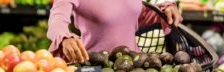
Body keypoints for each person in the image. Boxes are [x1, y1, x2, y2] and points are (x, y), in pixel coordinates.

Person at [47, 0, 183, 63]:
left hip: (135, 65)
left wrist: (165, 10)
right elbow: (57, 18)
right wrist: (65, 38)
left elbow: (134, 15)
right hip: (98, 69)